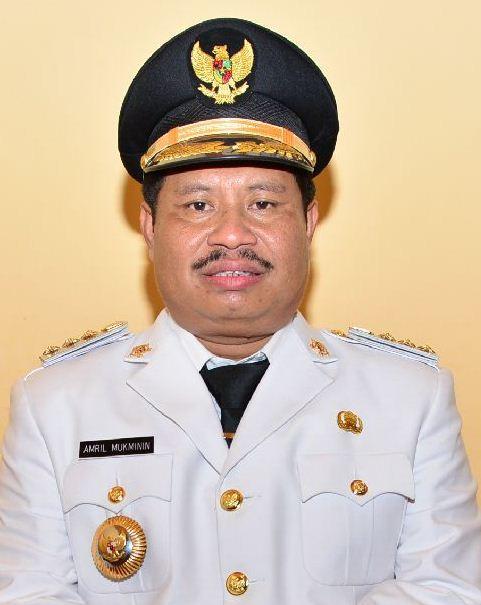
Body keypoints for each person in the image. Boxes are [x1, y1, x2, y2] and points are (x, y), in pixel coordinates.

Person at [0, 17, 480, 605]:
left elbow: (447, 589)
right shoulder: (56, 407)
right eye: (198, 205)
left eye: (263, 203)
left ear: (308, 222)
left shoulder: (409, 399)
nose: (232, 234)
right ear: (149, 227)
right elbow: (28, 593)